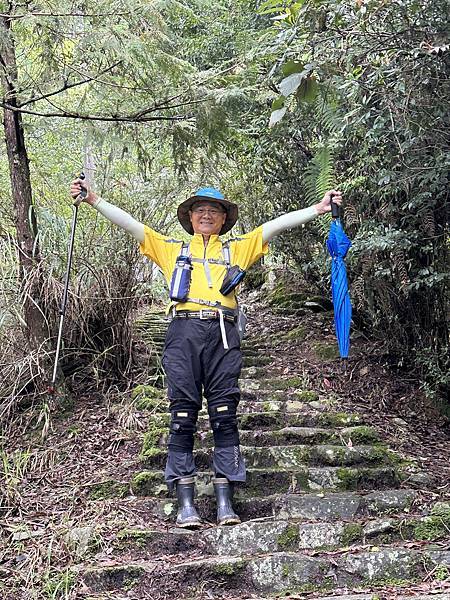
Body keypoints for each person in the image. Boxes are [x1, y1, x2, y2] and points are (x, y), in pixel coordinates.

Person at [69, 179, 342, 528]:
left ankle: (225, 500)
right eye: (201, 210)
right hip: (183, 332)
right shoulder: (171, 248)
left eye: (214, 210)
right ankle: (185, 502)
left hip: (224, 333)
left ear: (224, 218)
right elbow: (132, 225)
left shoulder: (237, 248)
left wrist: (318, 210)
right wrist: (92, 199)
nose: (207, 215)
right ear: (191, 217)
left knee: (225, 412)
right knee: (183, 413)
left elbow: (273, 226)